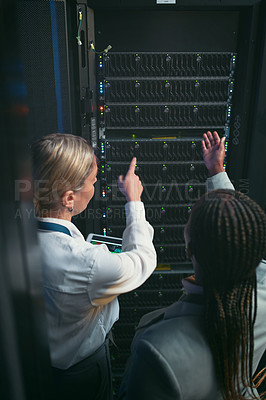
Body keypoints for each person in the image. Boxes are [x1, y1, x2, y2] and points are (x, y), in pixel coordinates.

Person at [119, 131, 266, 400]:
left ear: (189, 250)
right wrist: (217, 170)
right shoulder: (263, 291)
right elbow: (233, 227)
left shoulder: (157, 350)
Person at [31, 133, 157, 400]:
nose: (96, 184)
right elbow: (142, 260)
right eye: (91, 181)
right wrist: (134, 200)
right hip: (80, 376)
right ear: (68, 198)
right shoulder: (88, 262)